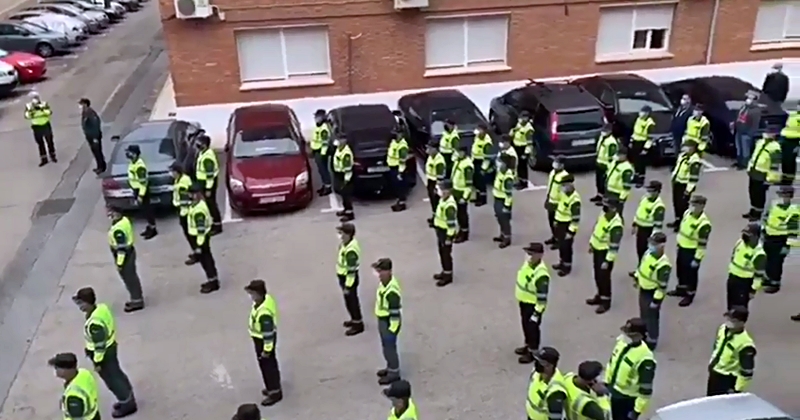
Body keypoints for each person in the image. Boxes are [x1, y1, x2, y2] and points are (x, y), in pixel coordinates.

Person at [72, 287, 138, 417]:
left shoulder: (95, 323)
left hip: (104, 355)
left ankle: (127, 403)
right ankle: (126, 398)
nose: (80, 307)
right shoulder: (101, 309)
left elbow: (99, 346)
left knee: (112, 379)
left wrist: (97, 362)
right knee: (117, 374)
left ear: (88, 302)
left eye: (81, 303)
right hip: (111, 348)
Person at [605, 318, 656, 420]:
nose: (626, 336)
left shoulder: (645, 358)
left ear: (639, 336)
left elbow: (645, 391)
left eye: (630, 335)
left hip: (627, 399)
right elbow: (612, 362)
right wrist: (606, 382)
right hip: (614, 391)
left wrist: (636, 411)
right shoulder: (622, 342)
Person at [668, 195, 712, 306]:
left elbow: (702, 244)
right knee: (681, 270)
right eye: (692, 204)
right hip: (682, 247)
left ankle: (690, 294)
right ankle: (681, 289)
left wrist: (697, 259)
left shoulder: (704, 224)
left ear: (702, 206)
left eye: (695, 204)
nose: (692, 206)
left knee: (690, 275)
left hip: (692, 251)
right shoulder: (687, 213)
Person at [244, 279, 282, 406]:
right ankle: (272, 388)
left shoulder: (264, 313)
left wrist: (266, 350)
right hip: (261, 339)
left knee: (268, 367)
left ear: (259, 294)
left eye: (253, 294)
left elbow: (268, 334)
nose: (251, 296)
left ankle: (275, 392)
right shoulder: (265, 300)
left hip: (263, 341)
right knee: (268, 366)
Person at [707, 306, 756, 396]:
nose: (728, 321)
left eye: (733, 320)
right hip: (715, 372)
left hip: (728, 378)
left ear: (741, 323)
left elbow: (747, 372)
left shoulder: (745, 345)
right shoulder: (723, 329)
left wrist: (737, 389)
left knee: (723, 407)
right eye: (728, 318)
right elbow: (717, 346)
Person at [633, 232, 671, 350]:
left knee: (652, 317)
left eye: (654, 243)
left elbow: (662, 286)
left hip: (652, 293)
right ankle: (644, 334)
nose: (651, 245)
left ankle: (652, 340)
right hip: (643, 289)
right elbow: (641, 267)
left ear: (661, 246)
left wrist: (656, 301)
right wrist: (636, 277)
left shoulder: (663, 265)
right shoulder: (648, 253)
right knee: (644, 314)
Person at [514, 242, 550, 364]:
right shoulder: (529, 263)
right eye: (528, 253)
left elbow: (542, 298)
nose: (528, 256)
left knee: (532, 328)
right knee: (525, 325)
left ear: (539, 255)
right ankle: (527, 345)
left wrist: (537, 313)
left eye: (531, 253)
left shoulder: (541, 275)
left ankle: (533, 352)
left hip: (533, 306)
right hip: (524, 301)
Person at [586, 198, 624, 314]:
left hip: (605, 253)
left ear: (614, 208)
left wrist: (607, 261)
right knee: (597, 275)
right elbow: (597, 229)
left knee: (604, 278)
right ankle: (600, 295)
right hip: (597, 249)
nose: (604, 208)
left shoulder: (616, 225)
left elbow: (614, 246)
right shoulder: (604, 215)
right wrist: (592, 243)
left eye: (607, 206)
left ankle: (606, 301)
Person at [761, 185, 800, 293]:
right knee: (768, 260)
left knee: (776, 263)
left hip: (780, 241)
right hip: (769, 237)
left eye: (783, 195)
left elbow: (793, 231)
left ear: (789, 196)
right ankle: (767, 279)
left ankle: (774, 283)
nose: (781, 197)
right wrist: (763, 231)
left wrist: (786, 246)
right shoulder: (775, 205)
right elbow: (766, 218)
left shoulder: (793, 211)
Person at [106, 206, 144, 312]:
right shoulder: (124, 220)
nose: (109, 214)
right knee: (132, 276)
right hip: (130, 251)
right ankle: (136, 297)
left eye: (111, 212)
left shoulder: (118, 229)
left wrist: (119, 264)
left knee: (129, 278)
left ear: (117, 214)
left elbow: (121, 249)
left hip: (125, 255)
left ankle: (137, 301)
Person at [373, 258, 403, 385]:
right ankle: (390, 368)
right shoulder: (384, 283)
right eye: (378, 271)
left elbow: (395, 314)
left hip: (389, 321)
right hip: (383, 318)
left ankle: (394, 373)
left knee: (390, 347)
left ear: (389, 272)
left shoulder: (392, 291)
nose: (379, 274)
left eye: (381, 271)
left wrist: (392, 330)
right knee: (386, 348)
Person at [186, 183, 220, 294]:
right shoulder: (197, 205)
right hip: (200, 237)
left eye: (191, 194)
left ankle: (213, 282)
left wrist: (199, 245)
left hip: (201, 238)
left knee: (206, 261)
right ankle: (212, 279)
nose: (189, 196)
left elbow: (200, 230)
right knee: (206, 259)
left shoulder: (199, 210)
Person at [743, 128, 782, 221]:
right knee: (752, 192)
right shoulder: (760, 142)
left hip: (763, 174)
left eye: (770, 133)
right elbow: (755, 155)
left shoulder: (775, 147)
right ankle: (753, 210)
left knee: (759, 195)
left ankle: (758, 213)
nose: (767, 134)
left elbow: (775, 165)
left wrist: (771, 179)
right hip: (754, 170)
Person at [629, 180, 666, 278]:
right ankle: (639, 269)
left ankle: (643, 273)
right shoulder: (645, 198)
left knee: (646, 253)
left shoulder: (659, 206)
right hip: (641, 229)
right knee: (640, 251)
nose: (649, 192)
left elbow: (658, 225)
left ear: (657, 192)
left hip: (648, 231)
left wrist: (653, 238)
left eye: (651, 190)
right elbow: (639, 212)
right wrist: (635, 224)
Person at [726, 223, 766, 311]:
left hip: (744, 282)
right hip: (733, 277)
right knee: (731, 302)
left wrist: (753, 289)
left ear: (755, 237)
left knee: (740, 306)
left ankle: (739, 322)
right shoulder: (740, 243)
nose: (744, 236)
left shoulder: (759, 254)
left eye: (748, 235)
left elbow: (759, 275)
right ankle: (731, 317)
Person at [49, 352, 100, 420]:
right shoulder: (83, 372)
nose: (55, 370)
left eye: (56, 368)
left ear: (65, 370)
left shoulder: (73, 396)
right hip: (94, 414)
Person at [666, 138, 702, 231]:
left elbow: (694, 177)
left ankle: (682, 223)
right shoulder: (682, 156)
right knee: (676, 203)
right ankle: (677, 220)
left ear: (693, 148)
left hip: (685, 185)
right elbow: (677, 167)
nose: (686, 148)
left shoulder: (695, 160)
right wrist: (673, 178)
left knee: (683, 205)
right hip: (678, 182)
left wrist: (688, 190)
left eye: (688, 146)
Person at [124, 144, 157, 239]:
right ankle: (149, 226)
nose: (127, 154)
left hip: (142, 191)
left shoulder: (139, 166)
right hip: (137, 190)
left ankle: (153, 228)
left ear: (135, 154)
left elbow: (143, 183)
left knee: (147, 210)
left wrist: (140, 196)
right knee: (144, 211)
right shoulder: (133, 163)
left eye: (129, 152)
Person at [336, 222, 363, 336]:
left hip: (348, 279)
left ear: (348, 234)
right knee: (349, 301)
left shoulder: (351, 250)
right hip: (343, 276)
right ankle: (353, 319)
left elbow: (351, 272)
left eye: (342, 233)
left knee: (352, 301)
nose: (340, 235)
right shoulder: (345, 244)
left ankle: (358, 324)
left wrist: (348, 286)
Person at [525, 347, 567, 420]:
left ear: (550, 366)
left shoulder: (555, 392)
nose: (537, 364)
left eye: (541, 362)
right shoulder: (536, 373)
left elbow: (555, 418)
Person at [552, 174, 580, 277]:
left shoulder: (575, 200)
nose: (562, 187)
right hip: (560, 222)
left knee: (567, 247)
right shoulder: (564, 194)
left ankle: (567, 267)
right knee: (561, 245)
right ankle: (561, 262)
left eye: (564, 185)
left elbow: (576, 219)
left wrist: (571, 231)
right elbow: (560, 208)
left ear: (570, 185)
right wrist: (555, 220)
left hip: (567, 225)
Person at [195, 134, 222, 234]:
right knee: (209, 204)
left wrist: (208, 189)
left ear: (205, 145)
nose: (197, 145)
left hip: (208, 183)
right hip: (204, 182)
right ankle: (215, 224)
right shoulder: (204, 153)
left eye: (199, 143)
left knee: (211, 205)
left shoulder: (207, 157)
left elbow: (210, 175)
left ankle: (217, 225)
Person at [432, 179, 457, 286]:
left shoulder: (450, 205)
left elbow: (451, 225)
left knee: (446, 254)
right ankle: (444, 271)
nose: (439, 191)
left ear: (448, 191)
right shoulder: (443, 200)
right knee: (442, 253)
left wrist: (448, 238)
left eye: (441, 189)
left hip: (446, 233)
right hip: (440, 230)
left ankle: (448, 275)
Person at [731, 91, 762, 169]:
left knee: (745, 149)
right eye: (748, 98)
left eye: (750, 98)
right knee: (739, 148)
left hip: (746, 133)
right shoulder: (744, 107)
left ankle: (744, 164)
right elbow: (739, 116)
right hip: (739, 130)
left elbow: (755, 124)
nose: (748, 99)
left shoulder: (755, 110)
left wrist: (750, 133)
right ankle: (739, 162)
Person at [171, 163, 195, 262]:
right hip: (182, 210)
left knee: (191, 234)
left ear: (177, 172)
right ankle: (195, 251)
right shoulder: (179, 179)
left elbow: (186, 198)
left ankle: (197, 253)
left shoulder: (184, 181)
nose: (171, 174)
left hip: (186, 211)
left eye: (173, 171)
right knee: (188, 234)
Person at [25, 91, 56, 166]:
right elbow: (27, 116)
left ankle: (53, 156)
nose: (34, 99)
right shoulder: (29, 106)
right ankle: (43, 159)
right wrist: (32, 110)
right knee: (40, 143)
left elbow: (49, 112)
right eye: (33, 98)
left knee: (49, 141)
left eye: (36, 97)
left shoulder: (44, 104)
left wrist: (40, 109)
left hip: (45, 125)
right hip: (36, 126)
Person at [544, 156, 569, 249]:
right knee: (551, 221)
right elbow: (550, 186)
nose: (555, 164)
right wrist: (547, 197)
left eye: (557, 162)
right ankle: (554, 237)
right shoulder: (553, 172)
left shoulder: (564, 177)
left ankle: (559, 241)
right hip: (551, 200)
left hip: (558, 203)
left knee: (557, 224)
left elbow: (564, 193)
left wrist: (560, 206)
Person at [591, 124, 619, 204]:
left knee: (604, 183)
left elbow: (611, 156)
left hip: (606, 165)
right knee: (598, 182)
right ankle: (599, 195)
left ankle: (604, 199)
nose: (603, 132)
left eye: (605, 131)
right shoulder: (602, 137)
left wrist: (609, 168)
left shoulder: (611, 142)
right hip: (599, 162)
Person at [493, 153, 516, 248]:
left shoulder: (508, 177)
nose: (498, 163)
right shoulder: (501, 171)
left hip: (503, 200)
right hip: (497, 197)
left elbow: (509, 194)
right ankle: (502, 234)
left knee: (504, 220)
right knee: (499, 218)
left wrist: (507, 206)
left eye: (500, 161)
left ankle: (507, 238)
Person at [451, 145, 474, 243]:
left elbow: (469, 184)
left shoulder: (467, 165)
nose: (457, 153)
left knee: (462, 214)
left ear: (464, 153)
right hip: (456, 190)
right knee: (458, 214)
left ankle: (465, 233)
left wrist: (464, 197)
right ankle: (461, 230)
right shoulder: (458, 160)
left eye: (459, 152)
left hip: (462, 192)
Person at [629, 105, 655, 187]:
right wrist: (631, 141)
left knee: (641, 163)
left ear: (648, 113)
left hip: (643, 143)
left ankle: (641, 179)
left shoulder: (650, 123)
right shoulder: (638, 119)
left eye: (644, 112)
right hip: (635, 142)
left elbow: (650, 138)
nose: (641, 113)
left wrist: (646, 149)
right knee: (635, 161)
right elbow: (635, 132)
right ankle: (636, 176)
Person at [604, 146, 634, 214]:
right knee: (608, 212)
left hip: (617, 194)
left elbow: (627, 186)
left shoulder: (627, 169)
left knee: (616, 214)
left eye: (620, 155)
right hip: (609, 191)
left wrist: (622, 198)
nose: (618, 156)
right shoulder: (615, 162)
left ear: (625, 156)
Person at [332, 134, 355, 222]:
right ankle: (345, 210)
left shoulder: (346, 153)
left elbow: (348, 169)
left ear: (344, 141)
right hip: (339, 173)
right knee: (342, 193)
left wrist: (346, 180)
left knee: (346, 195)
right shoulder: (339, 149)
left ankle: (350, 213)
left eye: (340, 139)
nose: (338, 141)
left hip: (345, 175)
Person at [80, 98, 106, 173]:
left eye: (81, 104)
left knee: (97, 151)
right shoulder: (85, 112)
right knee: (95, 151)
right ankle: (100, 166)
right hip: (90, 136)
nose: (80, 106)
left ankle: (101, 167)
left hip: (94, 136)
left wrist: (95, 137)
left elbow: (96, 124)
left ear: (85, 104)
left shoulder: (90, 112)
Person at [311, 109, 333, 196]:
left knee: (324, 170)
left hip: (321, 152)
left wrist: (322, 154)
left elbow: (325, 143)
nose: (315, 118)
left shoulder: (324, 128)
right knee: (321, 170)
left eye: (317, 117)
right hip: (317, 150)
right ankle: (325, 185)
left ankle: (328, 187)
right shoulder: (318, 126)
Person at [424, 141, 446, 226]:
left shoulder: (439, 160)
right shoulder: (431, 157)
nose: (427, 150)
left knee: (436, 201)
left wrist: (437, 187)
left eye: (430, 148)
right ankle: (434, 217)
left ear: (435, 149)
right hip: (430, 181)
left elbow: (440, 176)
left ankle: (438, 220)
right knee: (433, 202)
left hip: (435, 183)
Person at [387, 129, 410, 212]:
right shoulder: (394, 142)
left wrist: (400, 172)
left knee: (400, 187)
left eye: (397, 134)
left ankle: (402, 203)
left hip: (398, 168)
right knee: (396, 186)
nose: (395, 135)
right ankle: (399, 201)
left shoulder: (402, 146)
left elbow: (402, 161)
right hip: (392, 167)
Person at [511, 111, 535, 189]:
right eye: (521, 117)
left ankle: (524, 183)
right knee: (518, 166)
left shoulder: (528, 129)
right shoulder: (518, 125)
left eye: (524, 117)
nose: (522, 119)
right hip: (516, 147)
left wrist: (526, 154)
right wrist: (514, 130)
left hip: (523, 148)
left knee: (523, 167)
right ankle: (519, 181)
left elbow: (530, 143)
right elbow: (511, 134)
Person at [471, 123, 493, 206]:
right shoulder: (477, 137)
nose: (478, 131)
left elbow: (487, 157)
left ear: (484, 131)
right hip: (475, 161)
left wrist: (484, 168)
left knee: (481, 182)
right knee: (476, 181)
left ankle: (483, 199)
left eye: (480, 129)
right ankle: (478, 197)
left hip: (482, 163)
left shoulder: (487, 142)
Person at [779, 103, 799, 185]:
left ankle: (788, 181)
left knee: (790, 162)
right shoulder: (793, 115)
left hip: (795, 140)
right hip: (785, 138)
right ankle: (785, 179)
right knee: (785, 161)